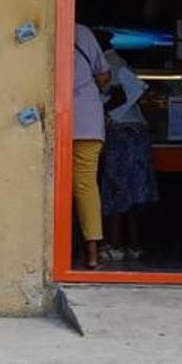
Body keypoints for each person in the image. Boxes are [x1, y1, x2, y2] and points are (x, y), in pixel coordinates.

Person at [98, 35, 158, 262]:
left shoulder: (106, 63)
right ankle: (133, 244)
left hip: (120, 132)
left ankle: (114, 245)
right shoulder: (121, 62)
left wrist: (101, 107)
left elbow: (120, 95)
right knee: (131, 194)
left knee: (116, 190)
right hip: (137, 132)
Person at [72, 21, 111, 271]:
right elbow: (104, 75)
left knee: (49, 184)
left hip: (56, 116)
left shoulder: (44, 28)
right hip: (87, 118)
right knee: (86, 185)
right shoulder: (83, 32)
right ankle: (92, 253)